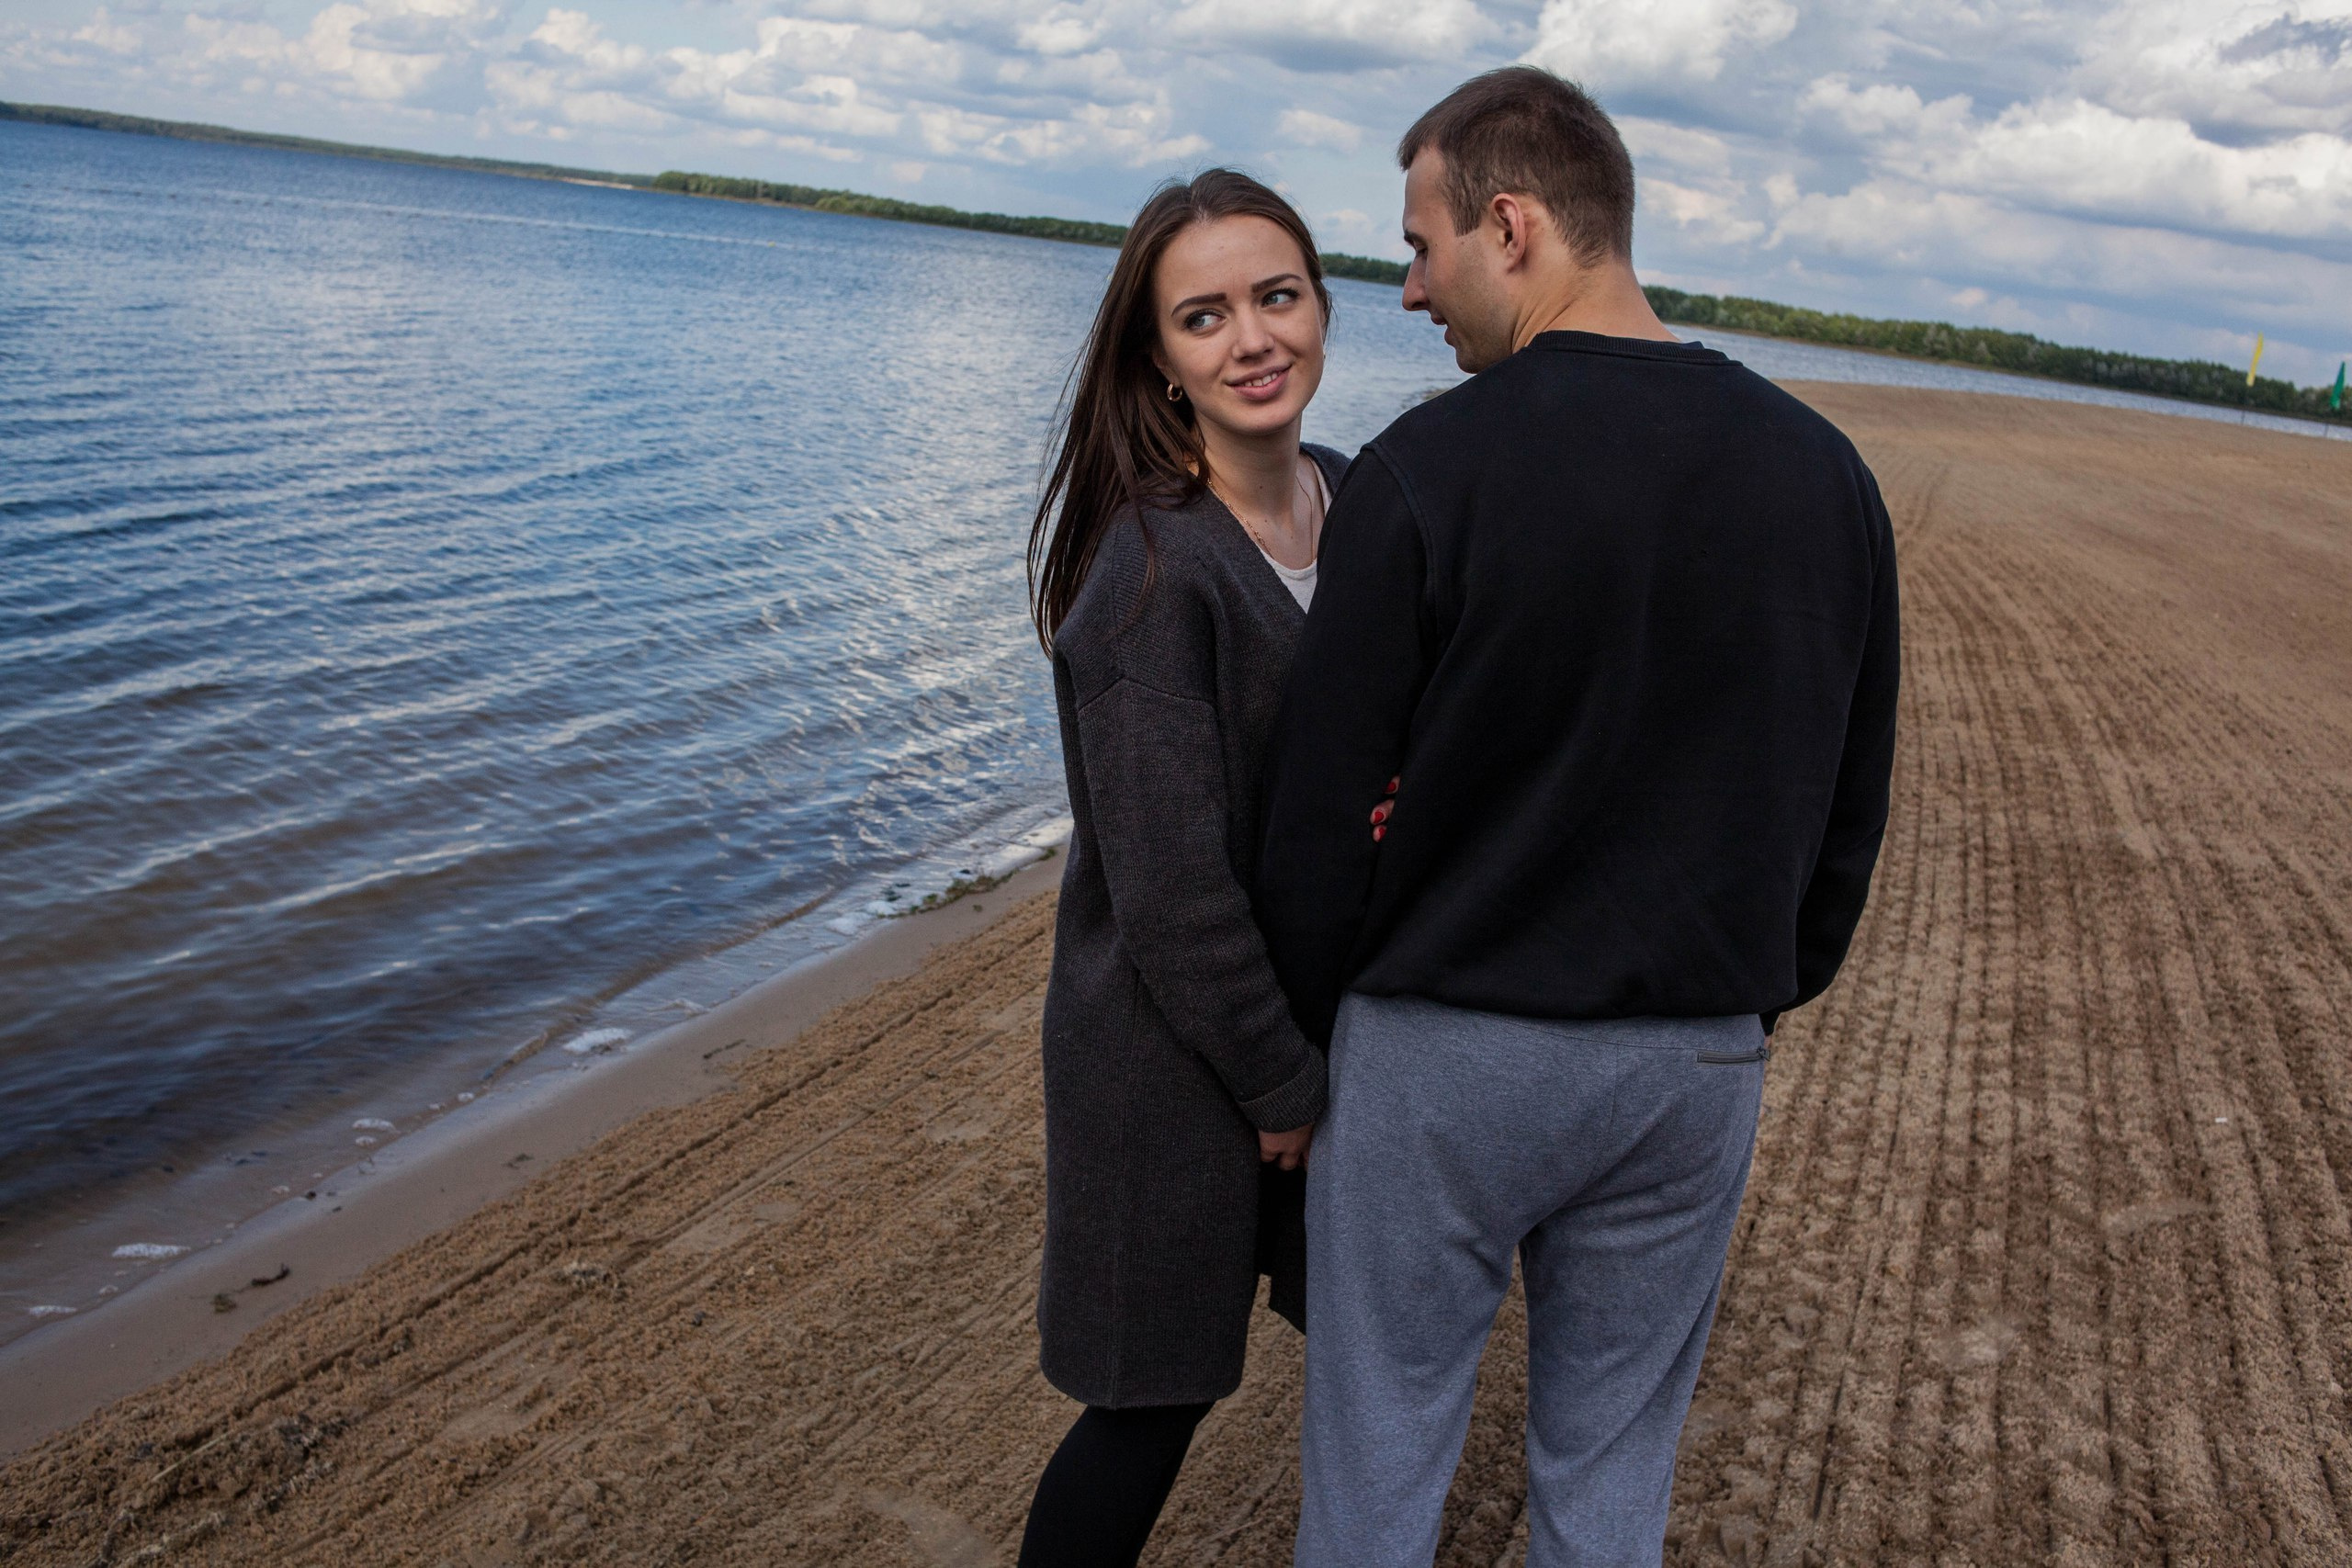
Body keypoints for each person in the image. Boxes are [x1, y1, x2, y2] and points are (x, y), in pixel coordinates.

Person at [1256, 68, 1902, 1567]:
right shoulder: (1829, 479)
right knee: (1610, 1485)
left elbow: (1314, 821)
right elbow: (1847, 812)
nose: (1409, 292)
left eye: (1421, 248)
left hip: (1445, 1051)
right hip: (1690, 1061)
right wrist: (1747, 995)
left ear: (1514, 223)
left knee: (1377, 1463)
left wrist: (1301, 1054)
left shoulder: (1425, 466)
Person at [1017, 168, 1345, 1568]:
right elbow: (1168, 885)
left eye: (1276, 297)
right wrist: (1277, 1085)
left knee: (1377, 1333)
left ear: (1325, 307)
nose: (1251, 339)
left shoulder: (1358, 508)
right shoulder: (1154, 571)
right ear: (1160, 362)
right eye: (1203, 317)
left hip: (1313, 1031)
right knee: (1148, 1399)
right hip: (1168, 1053)